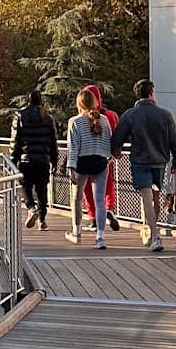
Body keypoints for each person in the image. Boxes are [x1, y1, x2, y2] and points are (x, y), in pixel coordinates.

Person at [110, 78, 176, 253]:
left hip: (140, 161)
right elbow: (175, 139)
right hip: (159, 162)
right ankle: (153, 233)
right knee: (155, 198)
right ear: (152, 93)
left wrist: (116, 152)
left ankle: (155, 235)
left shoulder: (130, 114)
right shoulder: (165, 114)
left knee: (146, 199)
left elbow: (117, 138)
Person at [65, 88, 112, 248]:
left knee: (77, 199)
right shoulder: (104, 120)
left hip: (81, 162)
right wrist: (108, 157)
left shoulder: (75, 121)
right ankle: (100, 237)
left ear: (79, 103)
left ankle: (76, 232)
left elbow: (73, 146)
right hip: (100, 161)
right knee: (99, 201)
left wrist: (70, 166)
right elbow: (109, 140)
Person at [10, 90, 57, 230]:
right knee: (42, 190)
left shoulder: (20, 115)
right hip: (43, 159)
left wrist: (13, 159)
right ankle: (42, 221)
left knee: (25, 186)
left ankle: (31, 208)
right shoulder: (47, 117)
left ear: (28, 100)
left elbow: (15, 140)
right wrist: (54, 159)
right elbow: (53, 141)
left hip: (26, 159)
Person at [78, 85, 122, 232]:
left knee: (87, 191)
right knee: (108, 187)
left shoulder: (80, 119)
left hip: (85, 159)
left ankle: (93, 218)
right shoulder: (109, 116)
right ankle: (109, 210)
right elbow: (114, 135)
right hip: (105, 158)